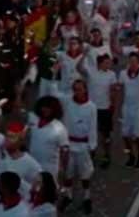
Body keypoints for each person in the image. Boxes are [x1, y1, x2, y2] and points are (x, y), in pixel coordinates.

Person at [59, 79, 97, 214]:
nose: (77, 92)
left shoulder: (91, 107)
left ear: (85, 90)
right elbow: (54, 92)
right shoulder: (67, 102)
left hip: (83, 145)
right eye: (75, 89)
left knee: (85, 174)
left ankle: (87, 197)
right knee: (68, 173)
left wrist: (92, 146)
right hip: (68, 144)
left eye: (79, 89)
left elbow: (93, 127)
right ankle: (68, 196)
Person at [78, 54, 117, 169]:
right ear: (100, 64)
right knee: (89, 132)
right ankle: (91, 154)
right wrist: (83, 54)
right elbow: (79, 68)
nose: (109, 64)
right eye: (106, 62)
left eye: (109, 62)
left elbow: (113, 91)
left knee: (105, 134)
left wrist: (113, 105)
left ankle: (106, 155)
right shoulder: (91, 72)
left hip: (105, 108)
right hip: (91, 109)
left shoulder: (112, 75)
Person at [116, 52, 139, 169]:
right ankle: (130, 155)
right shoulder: (123, 74)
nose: (132, 63)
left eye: (135, 61)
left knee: (138, 136)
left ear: (138, 62)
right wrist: (118, 107)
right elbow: (120, 89)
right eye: (131, 61)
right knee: (125, 135)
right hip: (127, 108)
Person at [26, 96, 70, 181]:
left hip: (49, 168)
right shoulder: (33, 119)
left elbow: (65, 151)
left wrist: (63, 169)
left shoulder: (60, 128)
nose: (45, 110)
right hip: (32, 164)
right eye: (44, 107)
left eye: (49, 108)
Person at [0, 122, 43, 187]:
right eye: (6, 136)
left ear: (21, 141)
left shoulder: (31, 163)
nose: (7, 139)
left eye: (12, 137)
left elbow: (39, 185)